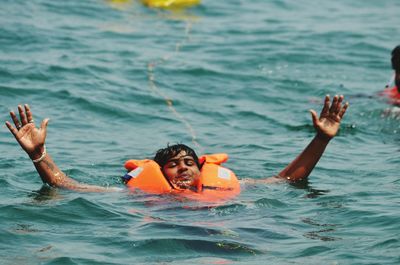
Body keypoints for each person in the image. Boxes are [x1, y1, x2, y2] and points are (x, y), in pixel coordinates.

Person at [5, 95, 349, 193]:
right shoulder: (141, 193)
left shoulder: (227, 187)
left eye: (188, 161)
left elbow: (289, 178)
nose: (183, 166)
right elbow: (67, 185)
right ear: (160, 172)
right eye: (173, 163)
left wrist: (321, 138)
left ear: (201, 167)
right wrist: (39, 155)